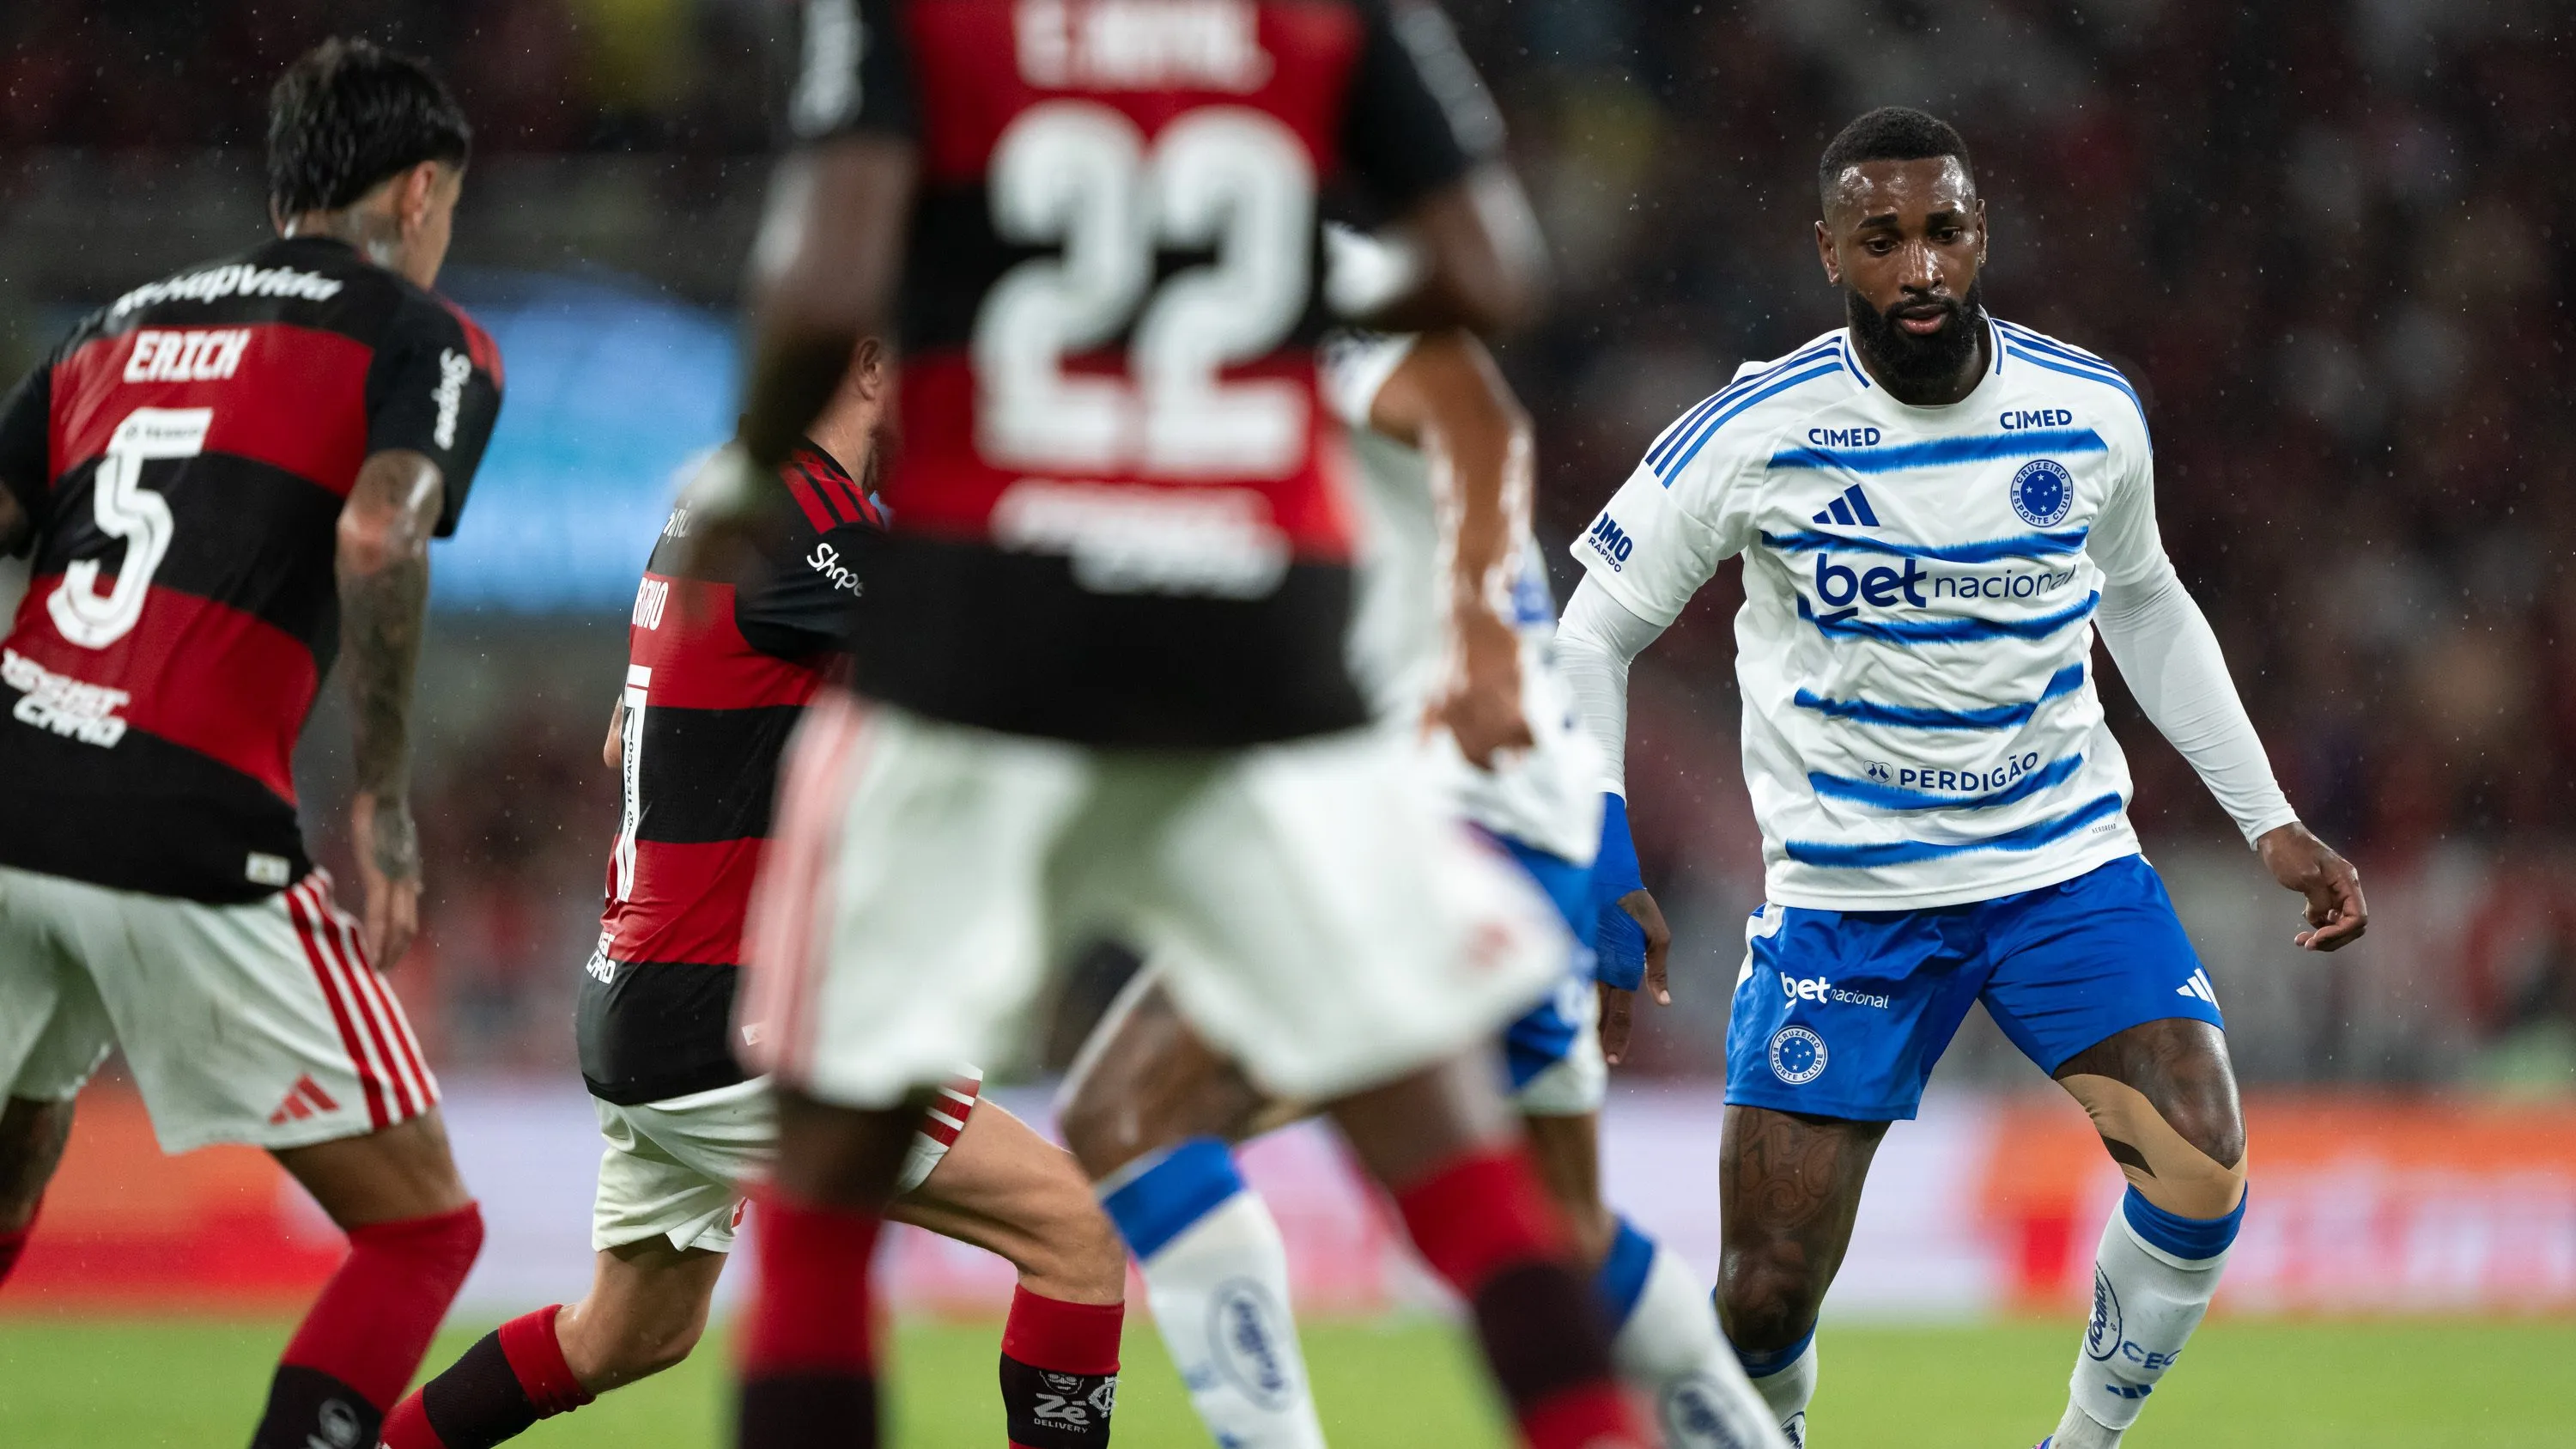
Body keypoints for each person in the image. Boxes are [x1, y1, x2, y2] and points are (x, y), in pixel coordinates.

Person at [706, 2, 1658, 1446]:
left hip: (981, 627)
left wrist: (754, 467)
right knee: (1457, 1164)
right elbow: (1490, 267)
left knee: (828, 1181)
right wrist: (1265, 318)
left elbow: (826, 283)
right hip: (1253, 630)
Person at [1552, 107, 2370, 1449]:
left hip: (2062, 868)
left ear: (1981, 234)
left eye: (1943, 232)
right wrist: (1600, 847)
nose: (1920, 267)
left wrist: (2267, 816)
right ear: (1831, 252)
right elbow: (1593, 630)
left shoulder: (2087, 409)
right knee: (1760, 1299)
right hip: (1847, 898)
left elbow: (2147, 600)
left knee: (2203, 1156)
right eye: (1883, 240)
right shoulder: (1757, 429)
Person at [378, 340, 1133, 1449]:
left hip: (644, 1002)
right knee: (1078, 1236)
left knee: (625, 1334)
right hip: (733, 1016)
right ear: (875, 363)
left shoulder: (724, 502)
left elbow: (629, 729)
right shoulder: (808, 520)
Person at [1054, 319, 1789, 1449]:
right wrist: (1601, 861)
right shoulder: (1316, 453)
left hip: (1430, 831)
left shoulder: (1311, 321)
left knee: (1129, 1116)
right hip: (1518, 838)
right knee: (1567, 1233)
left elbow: (1466, 406)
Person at [0, 40, 506, 1449]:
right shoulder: (422, 336)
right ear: (418, 195)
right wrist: (388, 806)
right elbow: (377, 528)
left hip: (11, 788)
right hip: (184, 820)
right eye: (450, 210)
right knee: (422, 1235)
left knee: (14, 1154)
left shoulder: (110, 328)